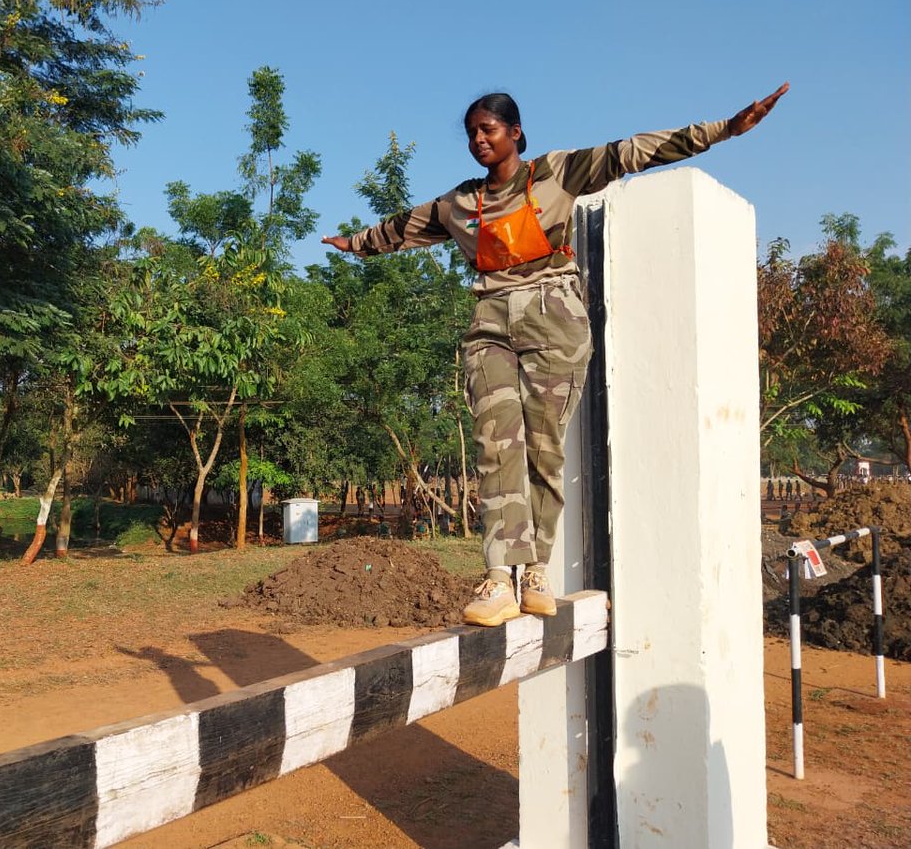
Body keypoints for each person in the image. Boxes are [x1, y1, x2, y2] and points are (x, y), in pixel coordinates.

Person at [323, 83, 788, 625]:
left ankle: (537, 571)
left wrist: (722, 131)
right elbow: (401, 228)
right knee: (497, 444)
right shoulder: (460, 203)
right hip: (490, 319)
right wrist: (353, 243)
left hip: (555, 318)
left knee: (544, 450)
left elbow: (630, 153)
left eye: (488, 129)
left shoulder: (557, 173)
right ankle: (499, 578)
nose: (478, 140)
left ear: (514, 132)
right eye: (472, 132)